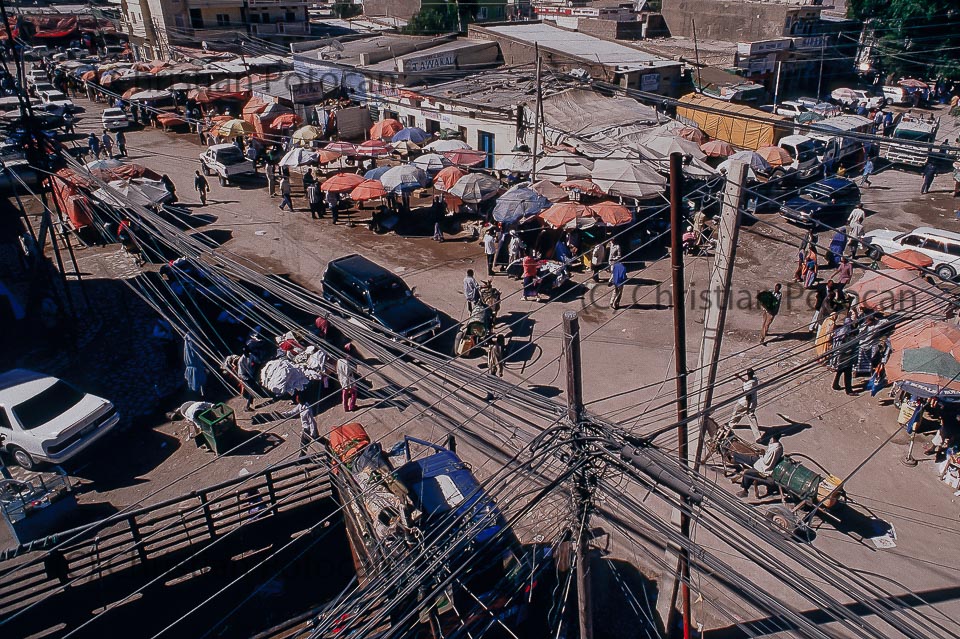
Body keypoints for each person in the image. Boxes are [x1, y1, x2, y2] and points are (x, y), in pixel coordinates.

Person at [727, 368, 762, 442]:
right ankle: (758, 436)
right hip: (753, 403)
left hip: (744, 403)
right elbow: (746, 382)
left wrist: (747, 409)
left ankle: (731, 425)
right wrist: (740, 377)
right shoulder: (755, 380)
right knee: (751, 418)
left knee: (736, 411)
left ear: (747, 374)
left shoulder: (748, 386)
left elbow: (748, 397)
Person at [832, 313, 857, 395]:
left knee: (839, 372)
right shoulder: (852, 340)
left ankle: (835, 385)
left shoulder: (845, 338)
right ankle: (849, 391)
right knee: (848, 376)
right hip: (848, 360)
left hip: (842, 358)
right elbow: (853, 350)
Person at [337, 344, 358, 412]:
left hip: (342, 379)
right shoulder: (347, 362)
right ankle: (352, 406)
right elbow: (349, 372)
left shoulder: (339, 361)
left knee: (345, 393)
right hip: (349, 380)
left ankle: (345, 407)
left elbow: (338, 371)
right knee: (354, 392)